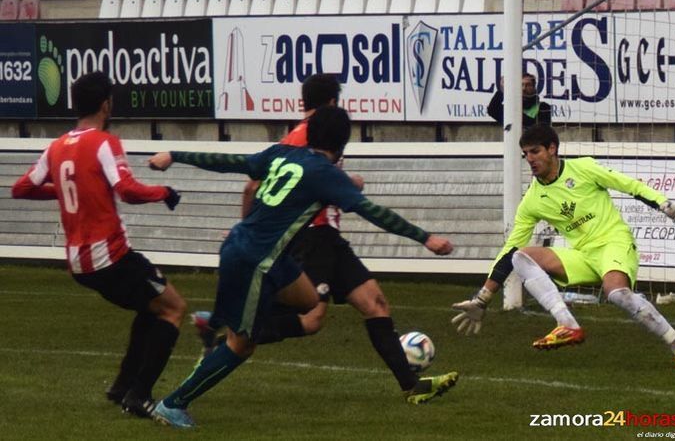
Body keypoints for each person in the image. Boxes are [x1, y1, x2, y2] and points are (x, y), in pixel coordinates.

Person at [148, 106, 458, 428]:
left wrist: (174, 153)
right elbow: (373, 212)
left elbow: (231, 163)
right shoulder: (324, 173)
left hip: (258, 252)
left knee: (309, 301)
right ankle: (174, 403)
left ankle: (220, 317)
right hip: (256, 259)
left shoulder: (283, 153)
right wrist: (425, 237)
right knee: (242, 345)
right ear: (342, 145)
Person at [450, 124, 675, 371]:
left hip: (614, 242)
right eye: (526, 154)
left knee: (616, 293)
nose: (530, 159)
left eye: (535, 151)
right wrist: (483, 298)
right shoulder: (532, 201)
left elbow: (628, 185)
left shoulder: (584, 168)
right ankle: (567, 324)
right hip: (582, 255)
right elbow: (508, 251)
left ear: (552, 149)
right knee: (520, 256)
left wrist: (663, 204)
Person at [11, 71, 187, 417]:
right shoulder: (104, 142)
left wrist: (65, 192)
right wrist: (164, 192)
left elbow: (22, 188)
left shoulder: (57, 146)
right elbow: (127, 190)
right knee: (174, 309)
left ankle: (123, 384)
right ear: (106, 104)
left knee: (150, 308)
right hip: (110, 255)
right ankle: (139, 395)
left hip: (79, 262)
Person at [487, 73, 552, 128]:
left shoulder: (543, 107)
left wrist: (513, 114)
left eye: (528, 85)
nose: (524, 88)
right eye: (521, 85)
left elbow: (538, 127)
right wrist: (503, 90)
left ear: (534, 88)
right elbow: (492, 110)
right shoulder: (512, 107)